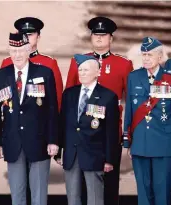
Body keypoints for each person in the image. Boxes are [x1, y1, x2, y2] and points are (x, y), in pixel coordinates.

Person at [65, 16, 133, 205]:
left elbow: (131, 103)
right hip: (82, 137)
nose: (99, 38)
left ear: (111, 38)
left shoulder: (123, 64)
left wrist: (128, 134)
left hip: (109, 136)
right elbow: (68, 99)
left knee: (109, 188)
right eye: (96, 35)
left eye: (104, 35)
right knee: (81, 189)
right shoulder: (78, 63)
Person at [0, 33, 59, 205]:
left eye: (21, 50)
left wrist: (53, 140)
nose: (17, 55)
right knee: (17, 194)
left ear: (29, 49)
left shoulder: (45, 73)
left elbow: (52, 110)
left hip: (39, 142)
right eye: (13, 51)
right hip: (12, 142)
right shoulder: (0, 75)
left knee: (39, 195)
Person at [56, 54, 119, 205]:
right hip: (72, 154)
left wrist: (109, 159)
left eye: (86, 70)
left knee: (95, 198)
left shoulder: (108, 97)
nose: (82, 73)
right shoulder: (69, 94)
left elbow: (111, 131)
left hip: (95, 154)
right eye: (80, 70)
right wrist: (59, 153)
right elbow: (62, 124)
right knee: (73, 198)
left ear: (98, 72)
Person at [123, 37, 171, 205]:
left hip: (163, 142)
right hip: (140, 142)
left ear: (160, 57)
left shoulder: (168, 78)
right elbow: (129, 109)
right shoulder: (134, 77)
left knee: (162, 192)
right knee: (143, 193)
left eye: (149, 55)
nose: (145, 58)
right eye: (143, 55)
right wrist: (127, 141)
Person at [0, 17, 63, 111]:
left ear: (38, 37)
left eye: (30, 34)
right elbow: (1, 97)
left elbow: (57, 99)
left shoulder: (49, 63)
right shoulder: (7, 62)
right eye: (23, 34)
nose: (26, 37)